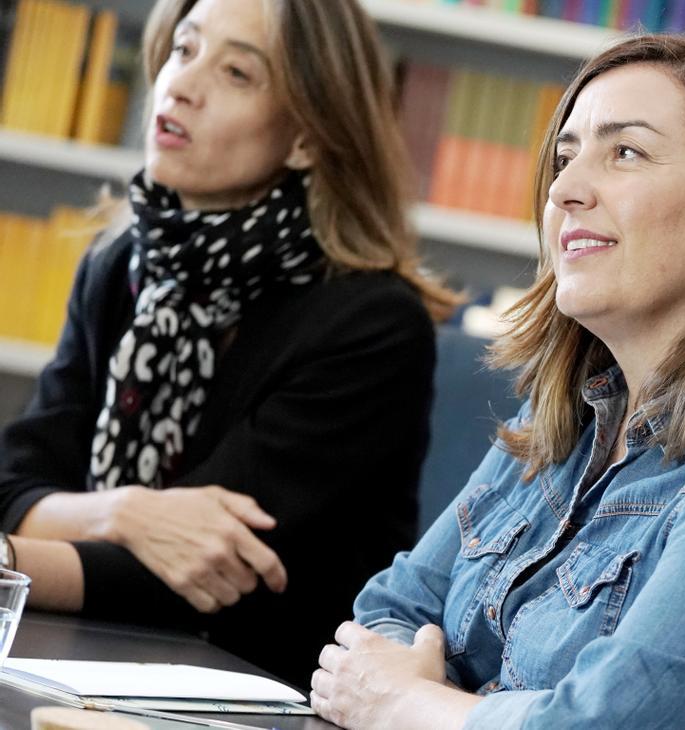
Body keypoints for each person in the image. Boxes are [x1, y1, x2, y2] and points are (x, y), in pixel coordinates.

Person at [309, 34, 685, 729]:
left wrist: (406, 704)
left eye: (625, 153)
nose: (564, 190)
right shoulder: (561, 422)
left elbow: (596, 726)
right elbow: (387, 615)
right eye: (563, 157)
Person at [0, 0, 456, 686]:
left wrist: (13, 558)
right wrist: (124, 510)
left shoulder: (372, 324)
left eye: (237, 73)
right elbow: (14, 481)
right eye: (183, 49)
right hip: (85, 660)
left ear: (305, 136)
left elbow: (203, 569)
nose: (181, 83)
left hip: (258, 688)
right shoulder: (120, 265)